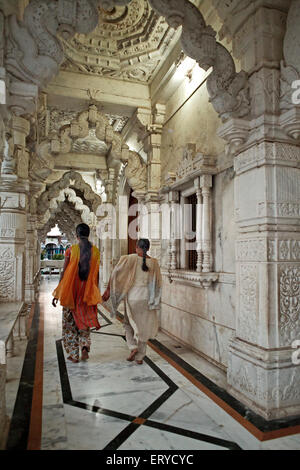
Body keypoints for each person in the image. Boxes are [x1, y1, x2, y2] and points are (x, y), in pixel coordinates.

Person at [102, 239, 162, 365]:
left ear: (137, 247)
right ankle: (140, 357)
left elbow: (116, 274)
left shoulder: (130, 258)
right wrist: (155, 300)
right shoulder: (154, 262)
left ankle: (132, 346)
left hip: (133, 297)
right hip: (147, 299)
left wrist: (108, 290)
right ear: (148, 248)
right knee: (143, 327)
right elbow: (157, 284)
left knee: (128, 324)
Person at [52, 223, 102, 363]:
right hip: (86, 293)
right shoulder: (96, 252)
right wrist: (94, 291)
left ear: (76, 235)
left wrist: (58, 293)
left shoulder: (70, 251)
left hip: (71, 293)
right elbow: (96, 275)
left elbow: (64, 273)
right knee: (84, 320)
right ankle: (84, 345)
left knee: (69, 325)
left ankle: (74, 354)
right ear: (88, 234)